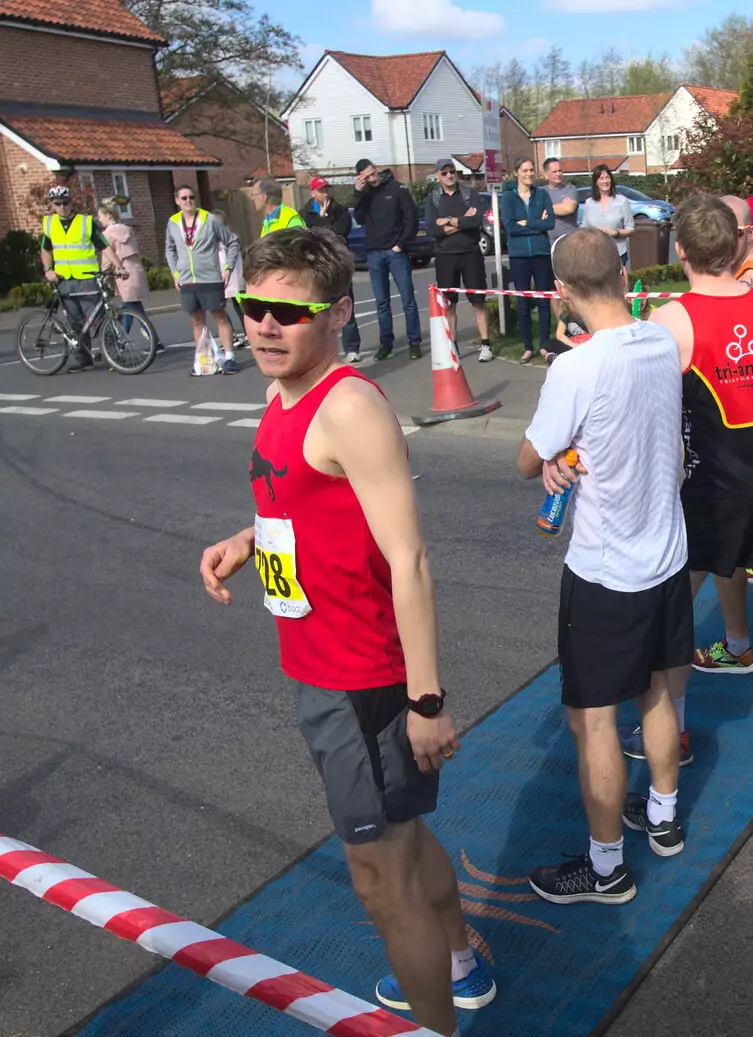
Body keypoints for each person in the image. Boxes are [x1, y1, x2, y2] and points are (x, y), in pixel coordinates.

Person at [198, 227, 492, 1036]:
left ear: (334, 314)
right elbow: (295, 500)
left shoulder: (350, 406)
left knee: (377, 879)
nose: (262, 326)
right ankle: (461, 958)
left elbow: (411, 559)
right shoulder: (279, 393)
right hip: (321, 666)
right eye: (252, 307)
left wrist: (428, 699)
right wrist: (245, 538)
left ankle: (433, 1025)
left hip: (359, 681)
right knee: (405, 834)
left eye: (285, 314)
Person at [520, 229, 693, 901]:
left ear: (561, 291)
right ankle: (663, 817)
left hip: (605, 567)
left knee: (593, 718)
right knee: (654, 688)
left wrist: (557, 458)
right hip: (665, 551)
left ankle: (605, 866)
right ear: (622, 272)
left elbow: (529, 458)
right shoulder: (659, 338)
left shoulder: (575, 366)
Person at [628, 194, 753, 783]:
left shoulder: (671, 318)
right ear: (737, 244)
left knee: (678, 612)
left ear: (681, 251)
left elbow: (647, 419)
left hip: (711, 488)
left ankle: (675, 731)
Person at [165, 184, 242, 374]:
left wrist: (228, 268)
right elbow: (170, 248)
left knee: (220, 317)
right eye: (184, 198)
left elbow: (232, 241)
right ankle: (203, 360)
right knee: (197, 321)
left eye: (191, 197)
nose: (188, 201)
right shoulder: (173, 222)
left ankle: (230, 358)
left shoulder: (210, 219)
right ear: (177, 201)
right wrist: (175, 272)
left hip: (210, 278)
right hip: (187, 280)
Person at [354, 158, 423, 360]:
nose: (372, 177)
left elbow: (411, 218)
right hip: (374, 252)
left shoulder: (397, 189)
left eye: (373, 172)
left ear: (376, 169)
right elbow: (358, 219)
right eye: (367, 176)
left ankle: (414, 343)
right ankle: (386, 344)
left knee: (407, 299)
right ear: (361, 178)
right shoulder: (365, 194)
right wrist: (358, 194)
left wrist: (400, 244)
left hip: (396, 251)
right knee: (381, 302)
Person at [423, 158, 492, 362]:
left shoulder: (470, 194)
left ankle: (486, 344)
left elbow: (475, 221)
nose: (449, 176)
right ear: (437, 176)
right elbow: (432, 228)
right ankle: (452, 346)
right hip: (445, 256)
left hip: (471, 253)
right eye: (444, 173)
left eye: (451, 171)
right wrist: (461, 221)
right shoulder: (433, 199)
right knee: (449, 304)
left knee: (478, 300)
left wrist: (449, 221)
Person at [39, 185, 109, 372]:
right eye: (58, 203)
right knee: (74, 322)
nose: (62, 207)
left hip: (86, 277)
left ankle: (115, 356)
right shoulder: (49, 224)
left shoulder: (85, 222)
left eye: (65, 202)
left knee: (99, 319)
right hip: (63, 279)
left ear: (71, 202)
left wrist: (117, 266)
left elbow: (103, 245)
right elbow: (46, 249)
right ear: (52, 205)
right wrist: (48, 270)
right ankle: (82, 359)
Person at [499, 158, 556, 365]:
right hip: (519, 256)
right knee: (522, 301)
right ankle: (527, 347)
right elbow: (510, 227)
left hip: (540, 253)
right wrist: (536, 224)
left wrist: (528, 222)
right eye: (525, 170)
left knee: (543, 301)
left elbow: (549, 222)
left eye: (532, 170)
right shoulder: (507, 198)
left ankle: (544, 344)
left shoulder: (542, 194)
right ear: (517, 173)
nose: (529, 174)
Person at [304, 176, 362, 363]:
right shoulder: (304, 213)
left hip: (338, 263)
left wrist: (325, 219)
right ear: (312, 193)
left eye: (327, 189)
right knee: (318, 307)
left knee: (345, 304)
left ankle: (352, 348)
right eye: (321, 190)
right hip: (317, 264)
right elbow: (310, 236)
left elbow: (341, 233)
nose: (325, 193)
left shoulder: (340, 210)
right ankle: (318, 349)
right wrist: (322, 220)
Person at [96, 200, 156, 346]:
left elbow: (107, 258)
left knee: (129, 307)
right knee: (134, 307)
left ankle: (121, 340)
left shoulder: (106, 235)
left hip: (122, 273)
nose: (99, 219)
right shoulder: (128, 230)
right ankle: (152, 339)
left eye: (101, 216)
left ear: (109, 215)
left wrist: (103, 275)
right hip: (135, 270)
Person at [581, 164, 634, 268]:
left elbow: (630, 228)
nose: (605, 181)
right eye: (601, 178)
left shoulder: (621, 201)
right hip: (594, 255)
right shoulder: (589, 203)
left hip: (617, 253)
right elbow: (584, 229)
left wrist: (616, 233)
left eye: (607, 177)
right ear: (596, 182)